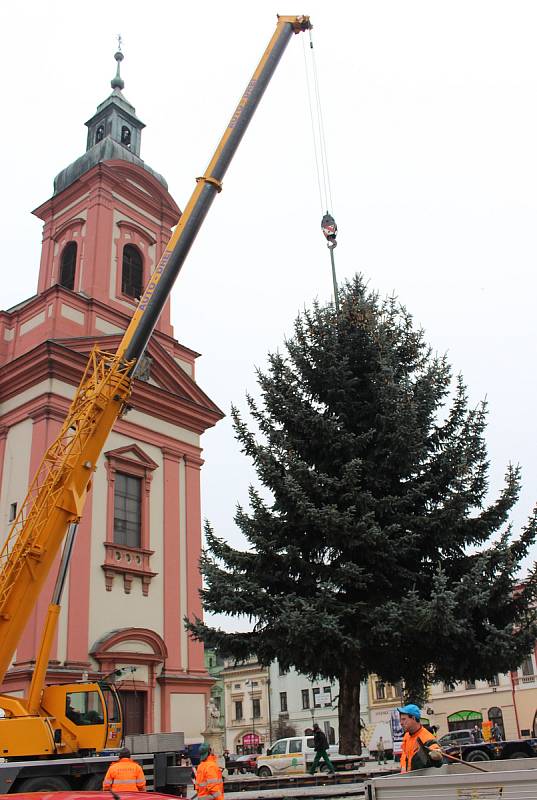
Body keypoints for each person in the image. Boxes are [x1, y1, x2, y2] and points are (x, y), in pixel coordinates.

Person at [398, 704, 443, 773]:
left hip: (422, 780)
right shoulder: (407, 735)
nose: (401, 723)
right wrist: (403, 767)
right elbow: (404, 754)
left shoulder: (427, 738)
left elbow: (437, 757)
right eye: (400, 720)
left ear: (413, 718)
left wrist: (437, 756)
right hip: (410, 779)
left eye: (404, 719)